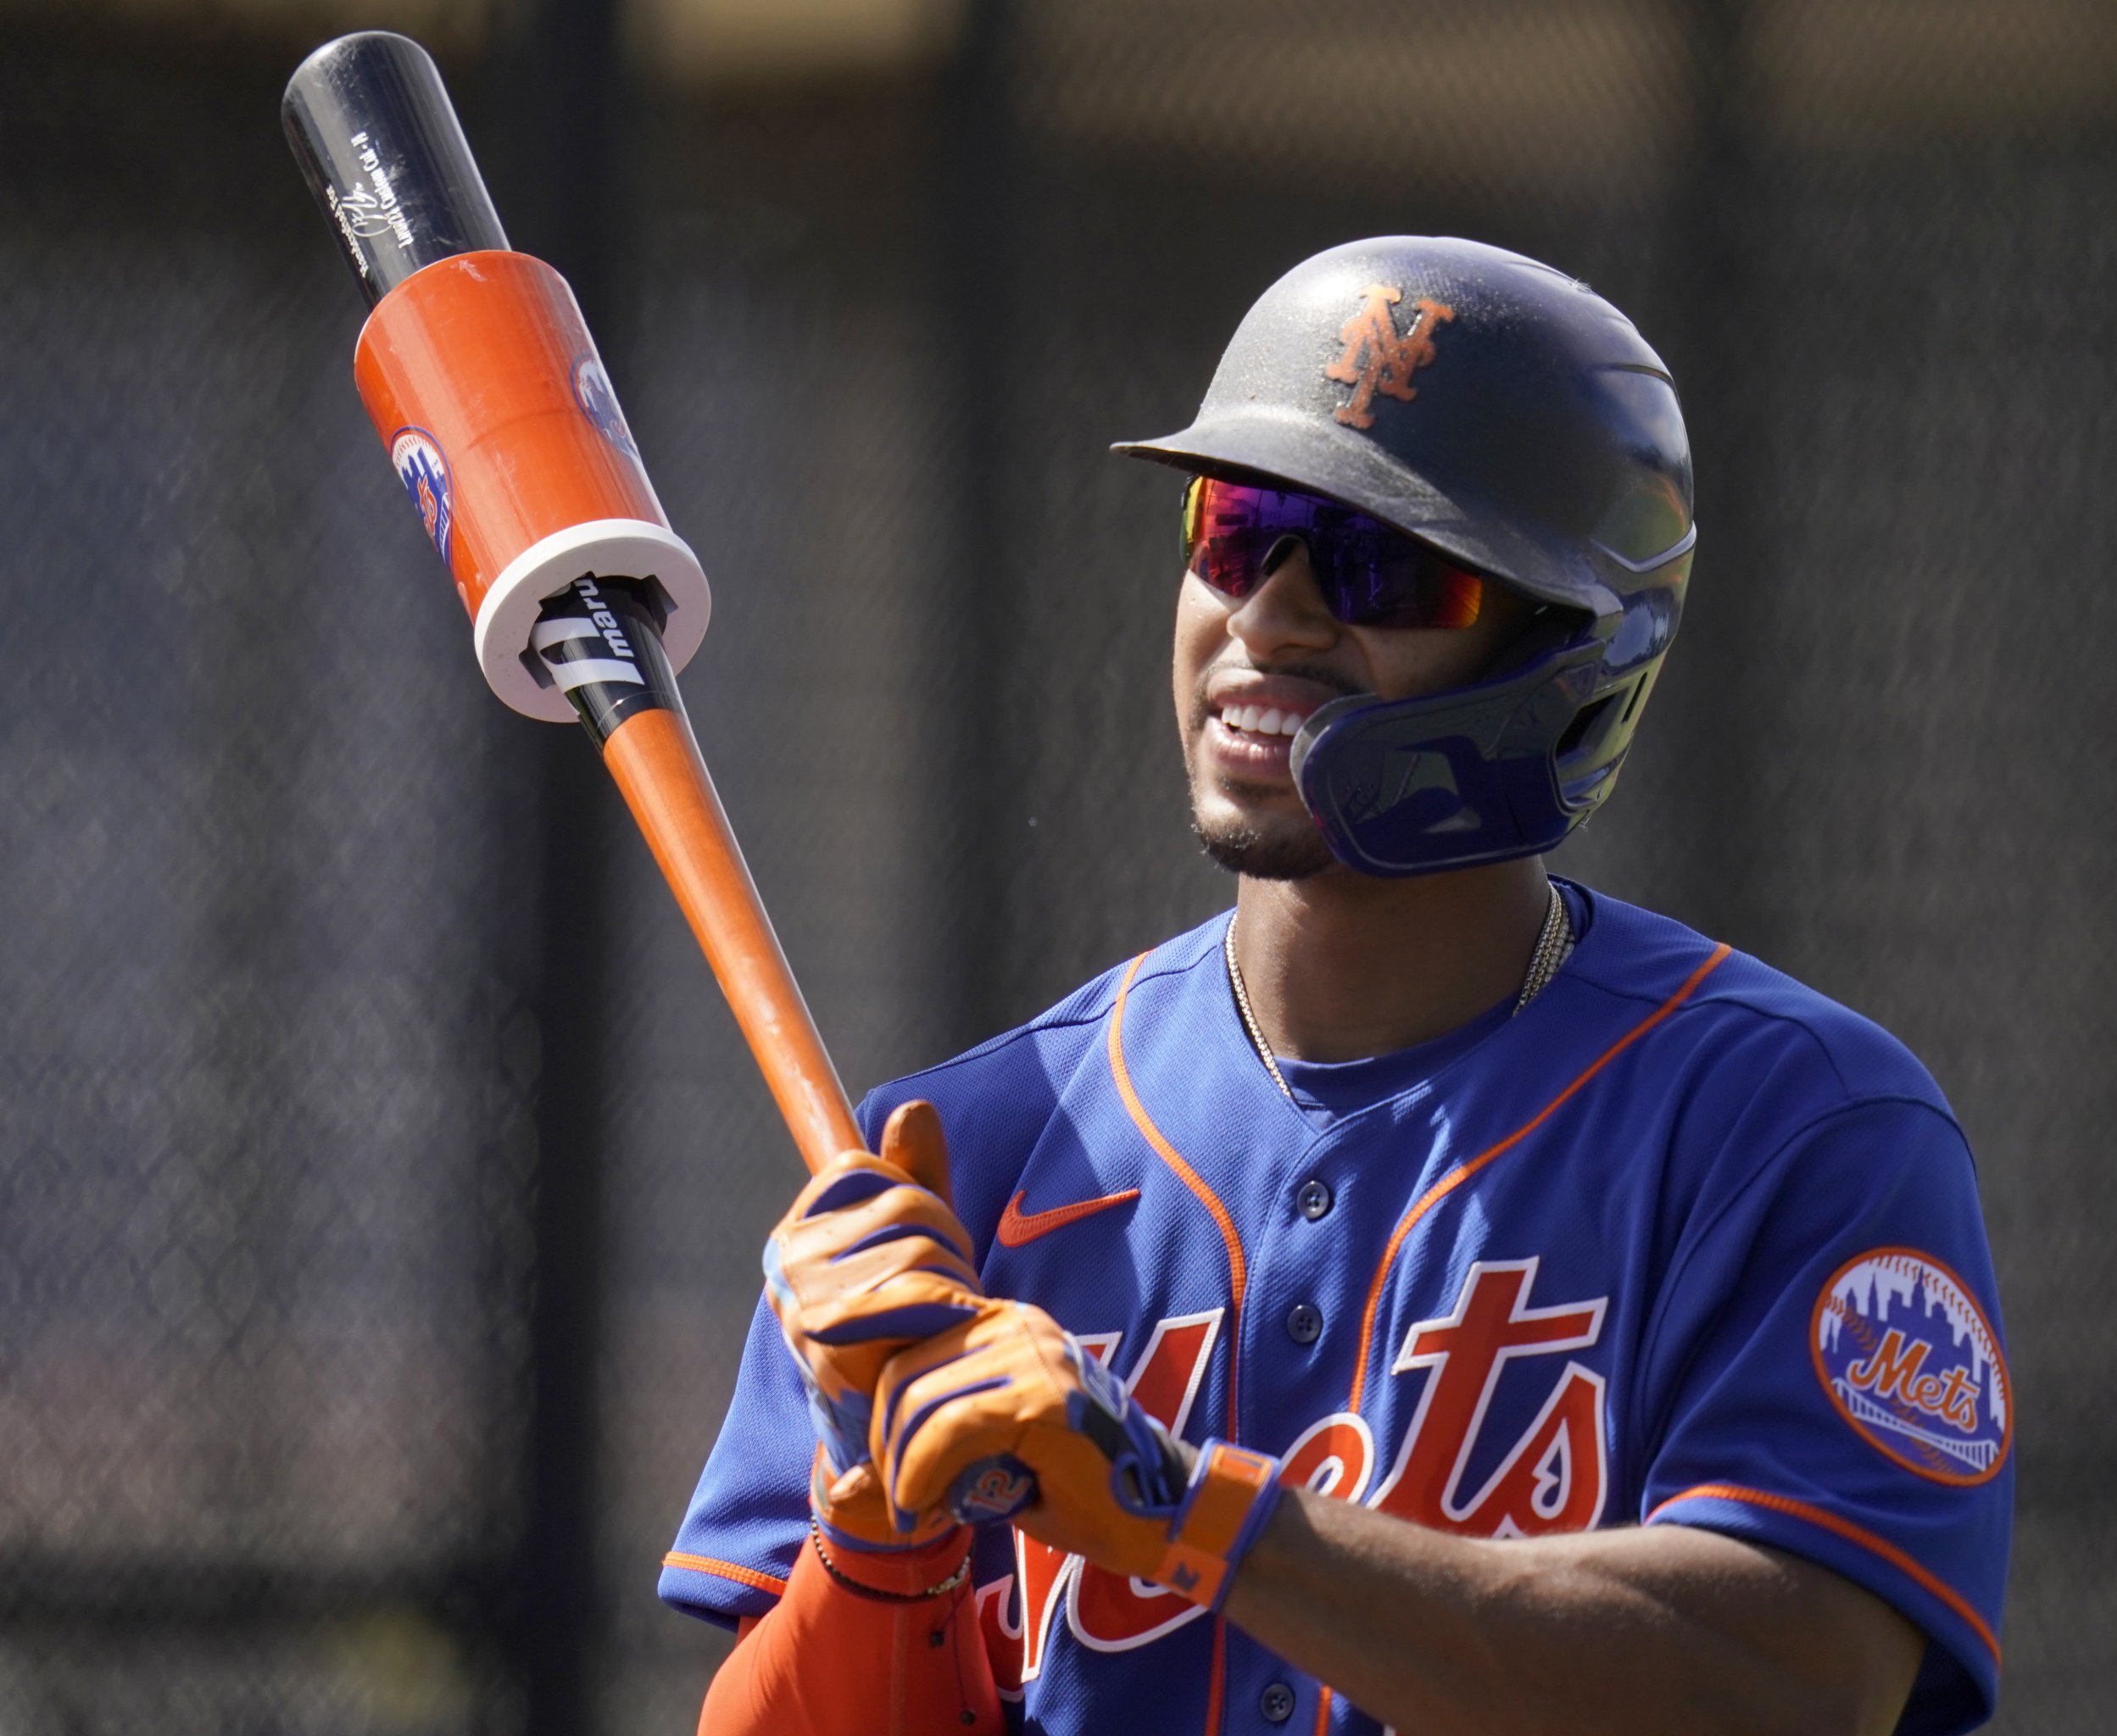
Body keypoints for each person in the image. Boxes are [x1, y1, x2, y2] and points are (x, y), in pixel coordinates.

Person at [660, 236, 2012, 1736]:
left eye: (1383, 565)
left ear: (1566, 656)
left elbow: (1799, 1685)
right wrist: (878, 1537)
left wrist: (1184, 1511)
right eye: (1238, 531)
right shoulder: (954, 1157)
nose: (1273, 618)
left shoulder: (1795, 1128)